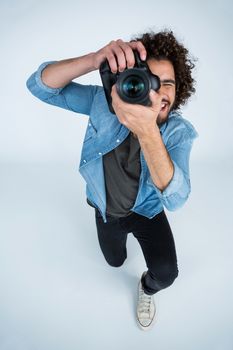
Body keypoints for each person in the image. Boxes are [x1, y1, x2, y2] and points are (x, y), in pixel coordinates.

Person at [26, 29, 198, 331]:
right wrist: (94, 60)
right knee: (115, 262)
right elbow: (40, 87)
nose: (155, 94)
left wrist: (147, 131)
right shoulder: (102, 102)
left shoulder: (179, 131)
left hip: (148, 211)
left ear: (177, 92)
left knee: (166, 273)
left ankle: (146, 288)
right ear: (127, 81)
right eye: (147, 82)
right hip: (105, 210)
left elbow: (177, 198)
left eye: (165, 85)